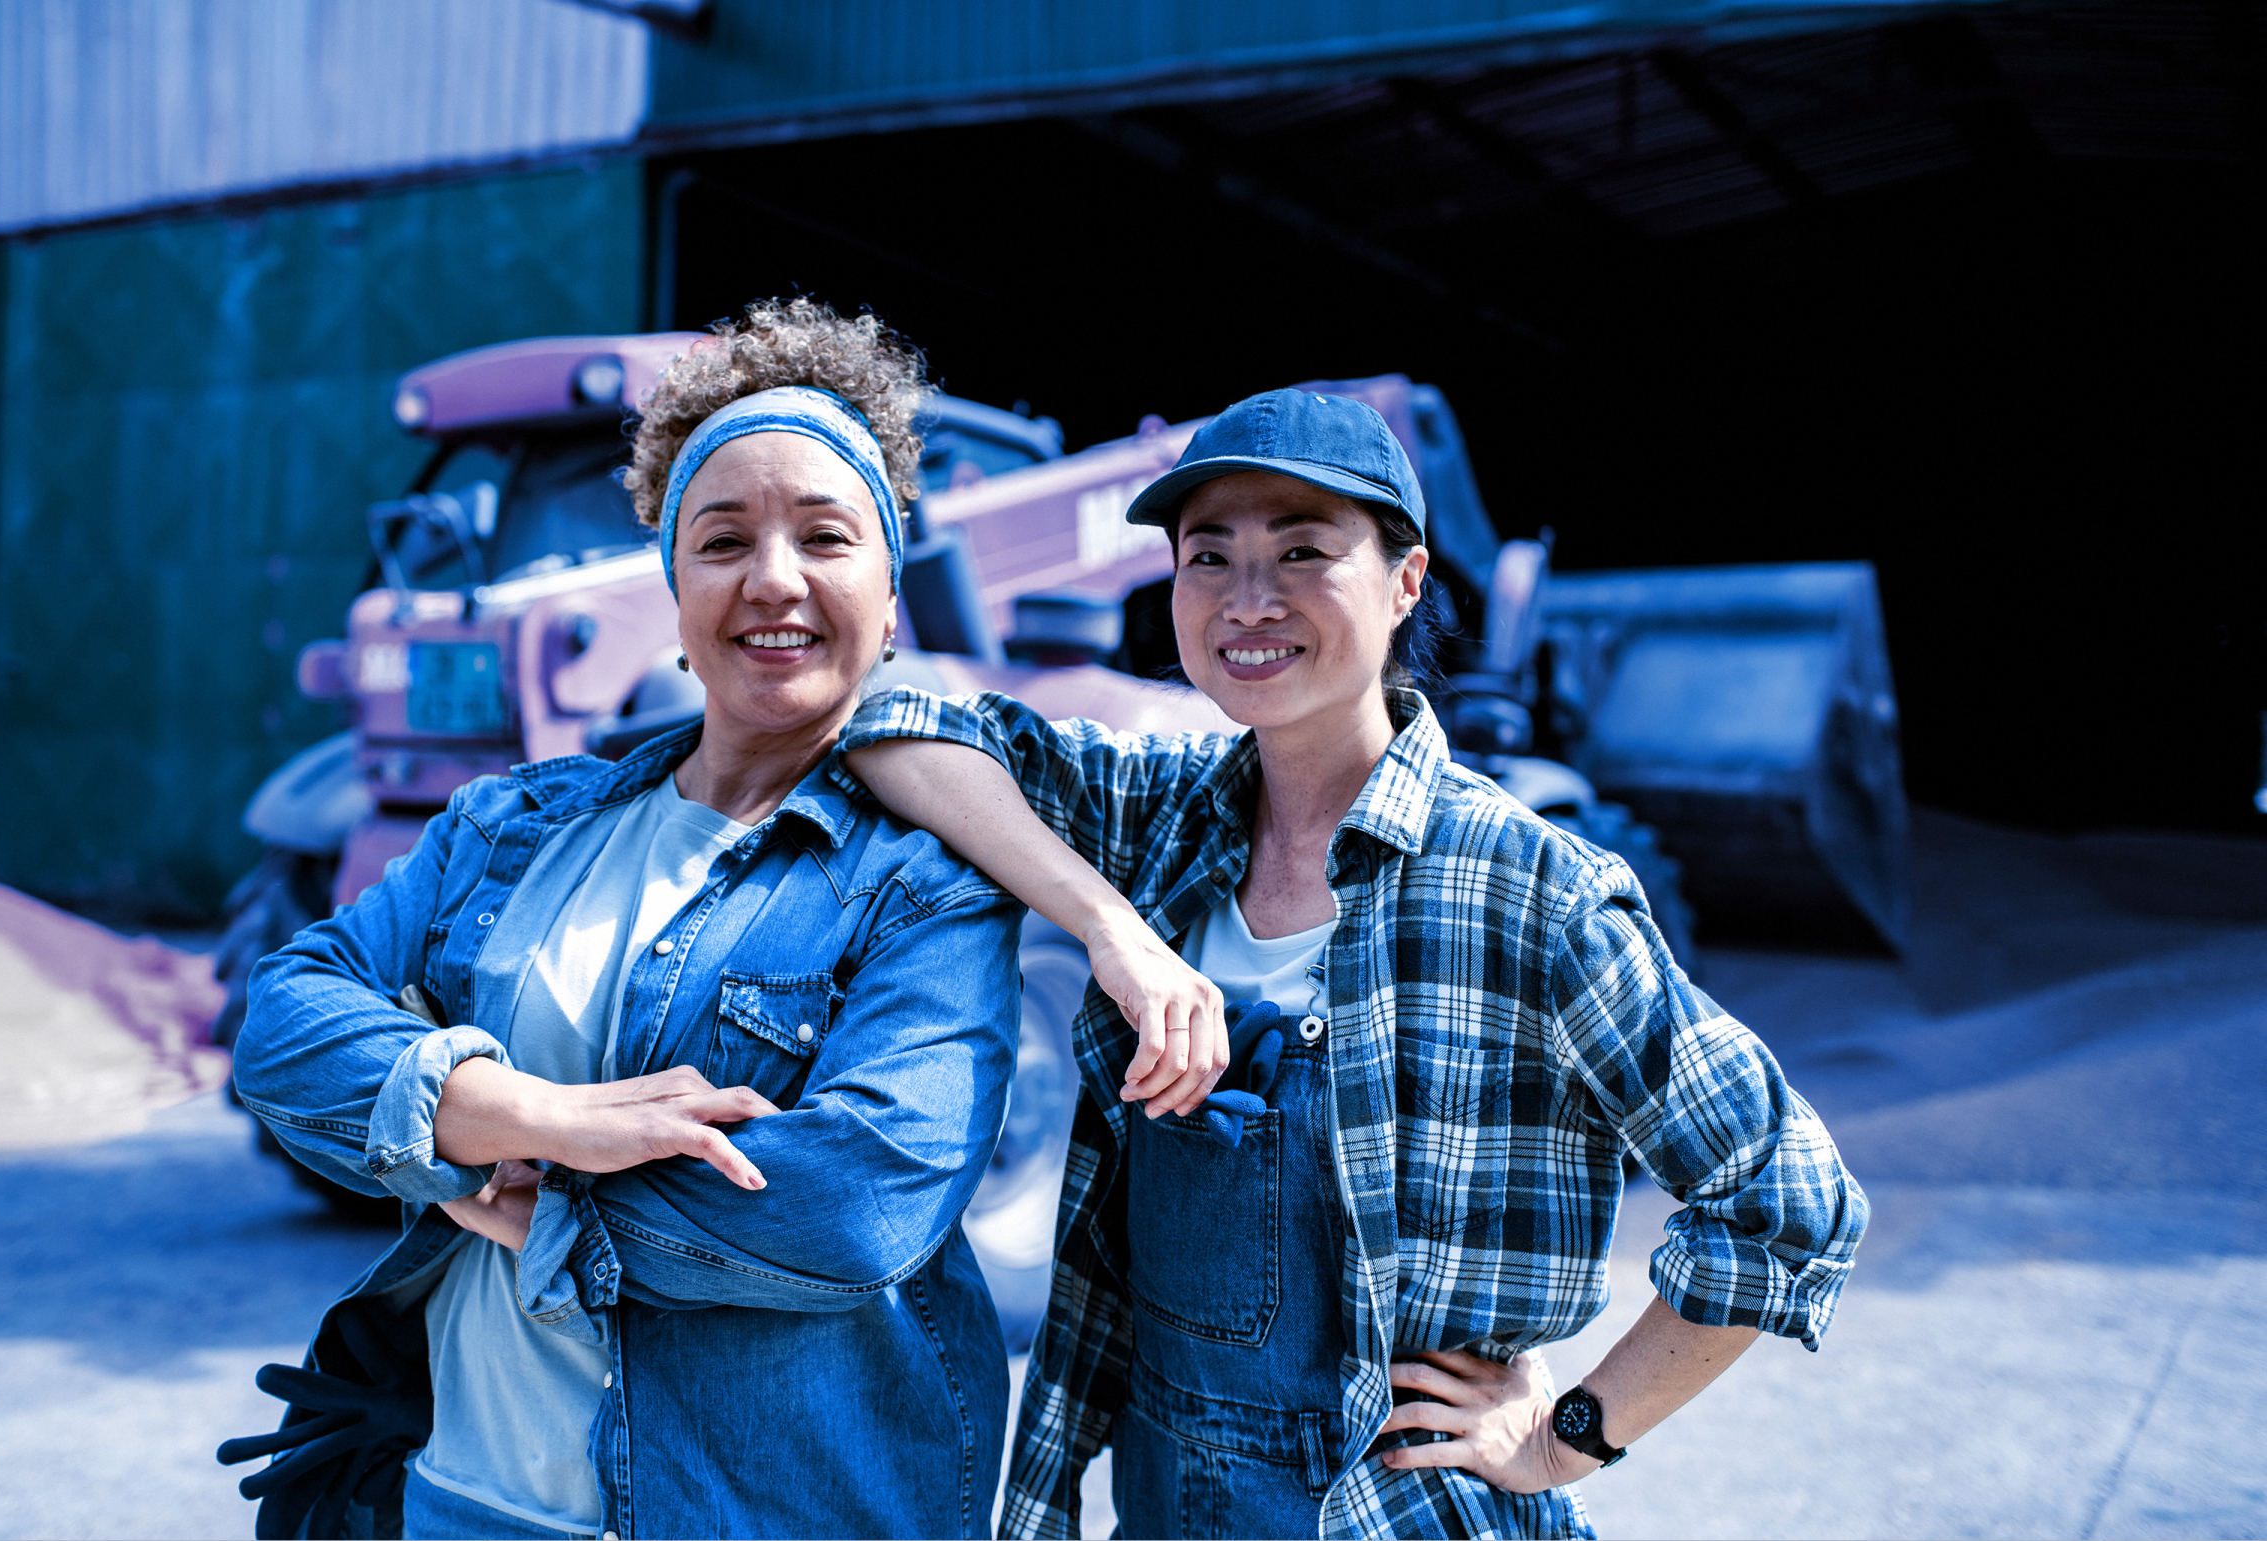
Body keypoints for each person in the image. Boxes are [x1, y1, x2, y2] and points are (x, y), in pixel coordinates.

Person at [840, 387, 1869, 1539]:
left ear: (1407, 581)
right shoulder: (1159, 821)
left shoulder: (1526, 889)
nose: (1248, 600)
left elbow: (1787, 1194)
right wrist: (1111, 927)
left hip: (1401, 1513)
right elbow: (888, 717)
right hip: (1166, 1506)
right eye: (1208, 557)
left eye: (1303, 551)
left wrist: (1575, 1428)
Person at [223, 299, 1055, 1540]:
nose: (772, 577)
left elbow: (853, 1203)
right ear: (672, 589)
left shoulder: (927, 875)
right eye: (722, 540)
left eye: (825, 536)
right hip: (466, 1498)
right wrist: (532, 1117)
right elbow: (285, 1021)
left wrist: (492, 1173)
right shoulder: (512, 822)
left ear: (894, 598)